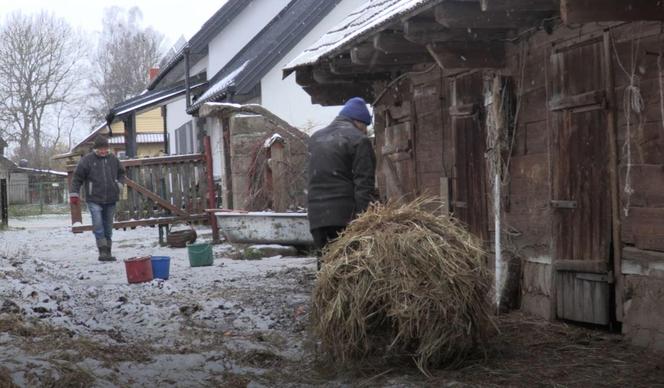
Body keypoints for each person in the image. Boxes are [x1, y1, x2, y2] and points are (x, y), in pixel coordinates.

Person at [307, 97, 377, 264]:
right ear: (358, 121)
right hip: (344, 216)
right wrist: (364, 219)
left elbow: (311, 176)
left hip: (317, 216)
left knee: (325, 267)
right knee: (347, 267)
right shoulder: (359, 140)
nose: (365, 131)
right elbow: (364, 184)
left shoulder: (315, 138)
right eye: (365, 126)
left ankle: (323, 291)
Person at [69, 135, 126, 262]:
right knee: (98, 224)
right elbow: (77, 177)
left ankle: (108, 251)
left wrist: (119, 184)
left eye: (105, 148)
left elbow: (122, 173)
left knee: (108, 226)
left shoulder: (113, 159)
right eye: (101, 149)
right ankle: (102, 251)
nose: (103, 151)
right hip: (94, 198)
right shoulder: (87, 160)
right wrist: (74, 194)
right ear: (95, 149)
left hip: (111, 198)